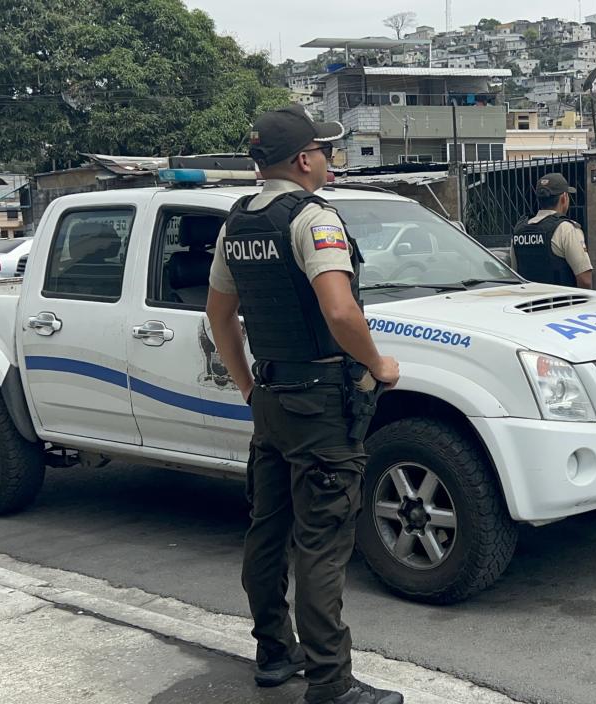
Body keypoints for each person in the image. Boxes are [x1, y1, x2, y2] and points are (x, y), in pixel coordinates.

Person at [205, 104, 403, 704]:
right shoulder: (313, 219)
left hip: (271, 397)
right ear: (303, 159)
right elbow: (340, 311)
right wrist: (378, 363)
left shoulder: (237, 220)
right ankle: (332, 685)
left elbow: (219, 315)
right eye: (324, 150)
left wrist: (246, 386)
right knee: (321, 542)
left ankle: (273, 655)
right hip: (321, 404)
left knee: (268, 531)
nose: (329, 159)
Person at [510, 173, 593, 288]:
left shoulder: (519, 230)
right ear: (564, 197)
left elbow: (515, 273)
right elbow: (585, 280)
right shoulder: (566, 229)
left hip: (529, 303)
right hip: (561, 303)